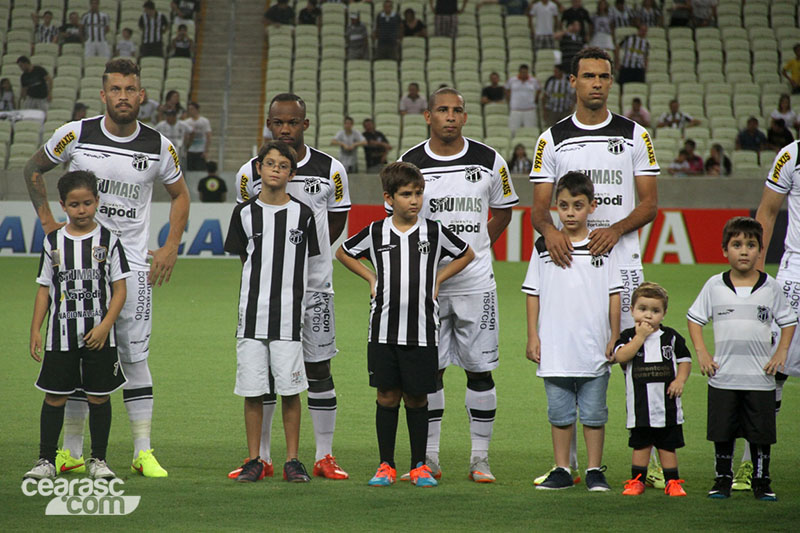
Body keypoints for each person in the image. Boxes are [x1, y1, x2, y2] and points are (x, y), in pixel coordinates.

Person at [23, 58, 191, 479]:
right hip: (79, 267)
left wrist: (171, 245)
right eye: (115, 89)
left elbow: (181, 195)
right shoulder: (75, 134)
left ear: (141, 94)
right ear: (103, 95)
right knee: (80, 353)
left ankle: (142, 451)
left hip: (132, 267)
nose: (122, 96)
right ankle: (73, 452)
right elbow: (32, 170)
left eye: (130, 89)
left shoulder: (158, 145)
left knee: (134, 358)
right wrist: (47, 223)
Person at [530, 46, 660, 487]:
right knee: (585, 354)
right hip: (572, 263)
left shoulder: (634, 135)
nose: (597, 84)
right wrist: (549, 233)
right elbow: (539, 209)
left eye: (604, 76)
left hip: (621, 265)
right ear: (573, 82)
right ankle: (573, 464)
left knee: (637, 360)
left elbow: (649, 204)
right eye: (588, 76)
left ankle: (649, 461)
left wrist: (616, 229)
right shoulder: (552, 139)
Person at [397, 87, 519, 483]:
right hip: (426, 288)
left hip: (476, 285)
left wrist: (477, 249)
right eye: (442, 110)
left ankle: (479, 459)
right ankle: (430, 457)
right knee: (430, 372)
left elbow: (502, 212)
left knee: (479, 371)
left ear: (465, 117)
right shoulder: (410, 163)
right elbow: (399, 221)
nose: (450, 116)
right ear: (427, 116)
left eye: (457, 111)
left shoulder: (489, 160)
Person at [232, 93, 352, 481]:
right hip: (269, 291)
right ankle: (262, 457)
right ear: (269, 125)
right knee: (264, 373)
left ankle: (323, 455)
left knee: (317, 368)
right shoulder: (250, 171)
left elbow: (335, 221)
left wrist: (305, 257)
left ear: (306, 124)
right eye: (278, 122)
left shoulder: (331, 169)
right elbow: (248, 232)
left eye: (293, 122)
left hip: (315, 287)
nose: (285, 129)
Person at [337, 162, 475, 488]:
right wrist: (371, 276)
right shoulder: (375, 232)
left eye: (418, 193)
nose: (414, 200)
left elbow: (466, 254)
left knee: (417, 397)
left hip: (423, 329)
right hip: (383, 330)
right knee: (386, 395)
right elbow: (343, 252)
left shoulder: (433, 231)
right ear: (389, 197)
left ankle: (418, 466)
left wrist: (437, 279)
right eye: (406, 194)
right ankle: (385, 465)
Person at [23, 170, 131, 481]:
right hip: (61, 337)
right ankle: (46, 460)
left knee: (99, 397)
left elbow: (120, 289)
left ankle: (99, 460)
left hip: (99, 336)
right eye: (74, 204)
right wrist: (35, 330)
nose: (81, 210)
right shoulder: (53, 241)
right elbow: (45, 288)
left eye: (87, 203)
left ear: (97, 202)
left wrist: (105, 326)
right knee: (54, 396)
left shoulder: (108, 241)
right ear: (63, 205)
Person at [224, 141, 319, 483]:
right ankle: (255, 460)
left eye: (283, 165)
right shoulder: (245, 213)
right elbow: (245, 258)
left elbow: (307, 262)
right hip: (251, 316)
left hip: (289, 318)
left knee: (290, 391)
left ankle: (292, 460)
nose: (276, 169)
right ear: (258, 169)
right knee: (253, 391)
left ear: (291, 174)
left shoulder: (304, 214)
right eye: (269, 163)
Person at [524, 171, 621, 491]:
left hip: (593, 346)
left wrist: (614, 334)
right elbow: (533, 293)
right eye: (563, 205)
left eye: (577, 205)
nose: (569, 212)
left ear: (592, 207)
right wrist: (533, 336)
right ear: (555, 207)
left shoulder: (602, 247)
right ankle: (563, 469)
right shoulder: (543, 247)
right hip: (555, 347)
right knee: (559, 412)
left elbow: (614, 294)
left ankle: (594, 469)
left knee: (594, 413)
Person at [688, 216, 796, 501]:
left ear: (761, 250)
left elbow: (788, 321)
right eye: (737, 245)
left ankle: (762, 481)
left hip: (760, 378)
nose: (744, 250)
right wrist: (702, 352)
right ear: (725, 250)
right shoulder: (714, 285)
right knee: (722, 432)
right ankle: (722, 479)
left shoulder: (771, 288)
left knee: (760, 434)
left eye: (751, 245)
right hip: (723, 376)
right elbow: (694, 319)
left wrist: (782, 351)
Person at [751, 140, 800, 491]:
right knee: (773, 370)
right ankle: (751, 465)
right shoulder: (793, 154)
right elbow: (767, 212)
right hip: (795, 273)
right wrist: (754, 270)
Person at [613, 282, 691, 497]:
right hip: (640, 406)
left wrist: (680, 380)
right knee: (641, 445)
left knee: (667, 445)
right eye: (643, 309)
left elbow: (685, 360)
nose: (648, 315)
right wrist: (640, 337)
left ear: (664, 313)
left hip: (667, 404)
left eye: (655, 311)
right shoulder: (628, 336)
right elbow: (620, 356)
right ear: (632, 310)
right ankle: (636, 481)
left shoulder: (672, 337)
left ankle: (673, 482)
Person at [505, 64, 541, 135]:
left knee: (530, 131)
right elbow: (506, 89)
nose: (524, 74)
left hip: (529, 110)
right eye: (522, 72)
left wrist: (535, 99)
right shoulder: (512, 80)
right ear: (519, 72)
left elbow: (539, 89)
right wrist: (509, 100)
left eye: (525, 72)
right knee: (513, 131)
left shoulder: (533, 81)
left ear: (528, 72)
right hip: (516, 110)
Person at [184, 101, 212, 171]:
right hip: (190, 150)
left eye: (192, 109)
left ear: (197, 110)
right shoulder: (187, 122)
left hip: (200, 150)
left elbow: (208, 136)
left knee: (200, 170)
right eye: (189, 109)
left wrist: (206, 151)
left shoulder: (204, 121)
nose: (191, 111)